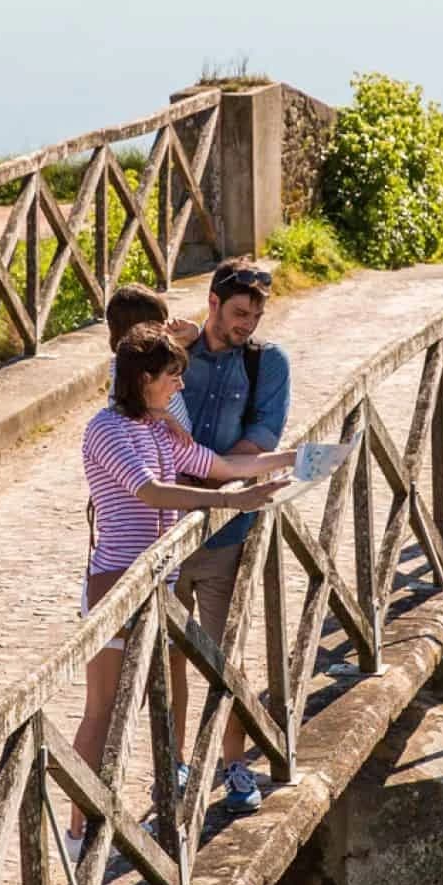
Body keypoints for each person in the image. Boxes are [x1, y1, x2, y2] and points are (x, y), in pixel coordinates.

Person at [71, 323, 293, 856]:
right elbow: (150, 491)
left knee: (148, 707)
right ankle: (79, 830)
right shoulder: (105, 429)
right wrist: (234, 503)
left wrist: (294, 459)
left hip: (158, 585)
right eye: (173, 376)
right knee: (103, 709)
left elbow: (219, 467)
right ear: (144, 377)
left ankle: (135, 819)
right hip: (116, 586)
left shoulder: (157, 427)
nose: (180, 387)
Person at [170, 257, 289, 815]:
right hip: (162, 533)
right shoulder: (173, 354)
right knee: (165, 658)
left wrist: (208, 472)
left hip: (226, 532)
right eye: (239, 312)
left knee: (223, 659)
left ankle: (233, 763)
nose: (248, 324)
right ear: (212, 303)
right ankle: (171, 765)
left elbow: (263, 438)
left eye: (256, 315)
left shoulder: (268, 365)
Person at [105, 283, 199, 443]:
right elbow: (124, 413)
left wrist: (195, 332)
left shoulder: (151, 360)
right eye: (159, 324)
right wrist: (168, 418)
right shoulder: (125, 372)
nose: (166, 327)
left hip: (178, 447)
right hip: (163, 455)